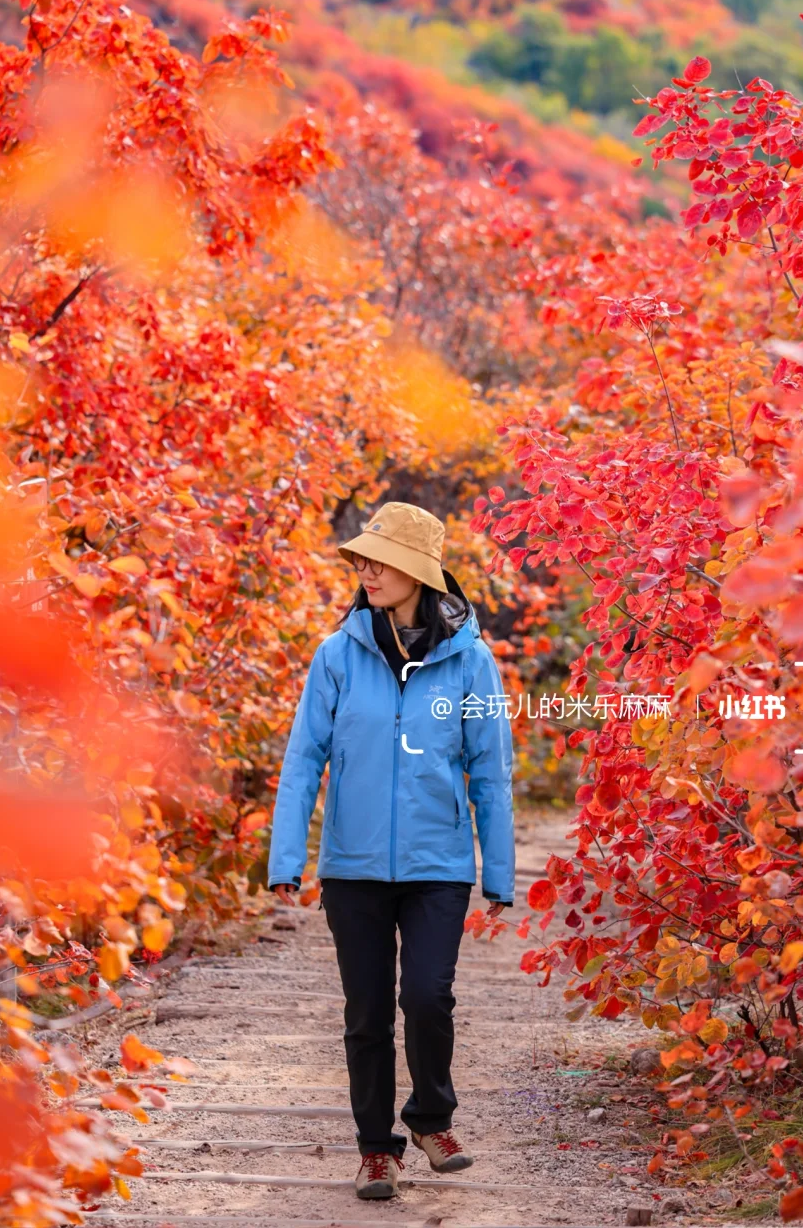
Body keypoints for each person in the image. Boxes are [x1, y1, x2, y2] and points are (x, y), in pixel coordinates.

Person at [267, 501, 516, 1201]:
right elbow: (303, 761)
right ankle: (377, 1149)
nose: (367, 572)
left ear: (419, 574)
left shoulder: (471, 662)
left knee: (428, 998)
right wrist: (286, 860)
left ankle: (432, 1120)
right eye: (363, 561)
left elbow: (491, 772)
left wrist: (498, 874)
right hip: (353, 867)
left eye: (381, 561)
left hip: (439, 865)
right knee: (367, 1011)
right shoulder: (336, 656)